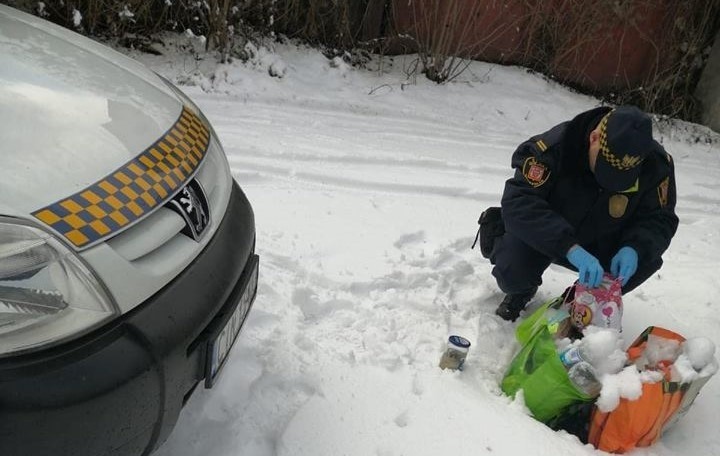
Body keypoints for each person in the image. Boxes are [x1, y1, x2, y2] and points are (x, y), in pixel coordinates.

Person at [476, 105, 679, 321]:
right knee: (512, 271)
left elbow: (660, 218)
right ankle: (520, 287)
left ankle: (580, 304)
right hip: (549, 235)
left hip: (603, 238)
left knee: (645, 258)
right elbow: (520, 201)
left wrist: (635, 247)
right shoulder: (556, 147)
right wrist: (569, 247)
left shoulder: (656, 165)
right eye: (605, 168)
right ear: (594, 138)